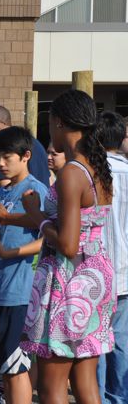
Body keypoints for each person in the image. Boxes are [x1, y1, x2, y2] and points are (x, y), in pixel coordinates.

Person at [2, 90, 114, 404]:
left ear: (60, 123)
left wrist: (38, 217)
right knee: (86, 383)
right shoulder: (97, 169)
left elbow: (67, 243)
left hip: (68, 284)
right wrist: (26, 217)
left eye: (50, 122)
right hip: (93, 279)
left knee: (52, 387)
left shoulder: (71, 174)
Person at [0, 126, 48, 404]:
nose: (0, 164)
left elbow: (48, 239)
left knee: (17, 368)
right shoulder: (1, 195)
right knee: (7, 367)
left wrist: (8, 252)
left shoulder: (36, 192)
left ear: (26, 156)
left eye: (7, 158)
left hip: (20, 293)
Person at [96, 111, 127, 404]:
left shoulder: (89, 173)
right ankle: (118, 397)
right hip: (125, 271)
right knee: (121, 342)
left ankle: (96, 398)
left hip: (93, 272)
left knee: (96, 342)